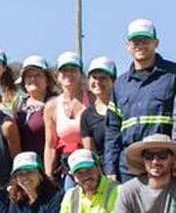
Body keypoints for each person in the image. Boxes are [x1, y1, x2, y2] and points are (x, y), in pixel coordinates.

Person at [103, 18, 176, 183]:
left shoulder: (172, 75)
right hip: (129, 168)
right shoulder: (120, 84)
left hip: (164, 164)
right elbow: (112, 130)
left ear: (156, 43)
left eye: (145, 40)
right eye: (136, 40)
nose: (140, 45)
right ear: (127, 45)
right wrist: (110, 168)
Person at [43, 51, 88, 186]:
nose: (68, 74)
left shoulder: (92, 100)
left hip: (92, 164)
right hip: (68, 167)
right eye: (64, 70)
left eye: (73, 70)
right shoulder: (51, 106)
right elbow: (50, 145)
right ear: (58, 76)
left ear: (81, 74)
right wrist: (49, 176)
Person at [14, 55, 57, 160]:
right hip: (23, 167)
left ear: (47, 80)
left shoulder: (56, 104)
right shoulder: (18, 105)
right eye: (28, 76)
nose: (33, 79)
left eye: (38, 75)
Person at [81, 56, 117, 163]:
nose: (98, 82)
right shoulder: (87, 115)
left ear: (113, 81)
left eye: (103, 78)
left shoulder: (123, 108)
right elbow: (90, 152)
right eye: (94, 77)